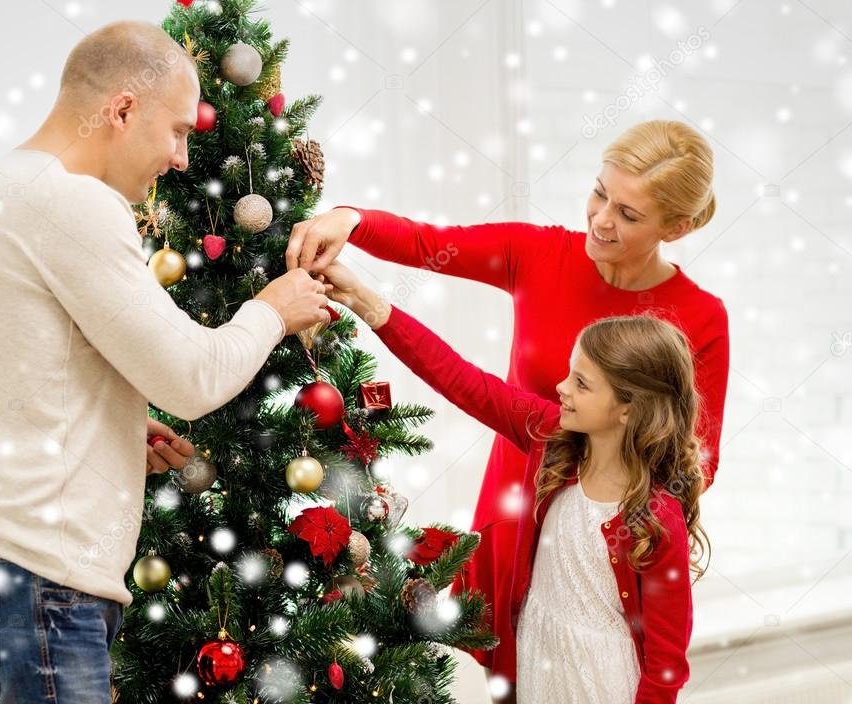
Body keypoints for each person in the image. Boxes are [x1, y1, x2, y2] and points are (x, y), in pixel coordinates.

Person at [0, 21, 330, 704]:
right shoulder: (70, 202)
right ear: (123, 109)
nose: (183, 158)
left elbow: (7, 372)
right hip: (28, 590)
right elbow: (192, 379)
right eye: (176, 131)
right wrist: (273, 310)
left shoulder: (5, 187)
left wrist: (102, 430)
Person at [287, 120, 729, 689]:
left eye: (629, 213)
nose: (600, 218)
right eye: (600, 192)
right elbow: (432, 257)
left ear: (678, 225)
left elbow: (699, 460)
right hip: (515, 512)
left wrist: (608, 488)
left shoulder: (701, 317)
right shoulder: (540, 253)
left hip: (609, 532)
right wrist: (351, 219)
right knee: (519, 672)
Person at [318, 261, 709, 703]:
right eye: (569, 372)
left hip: (602, 684)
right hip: (538, 663)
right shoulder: (551, 437)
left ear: (628, 409)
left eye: (581, 384)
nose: (561, 387)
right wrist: (367, 302)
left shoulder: (655, 516)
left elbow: (666, 660)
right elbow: (461, 379)